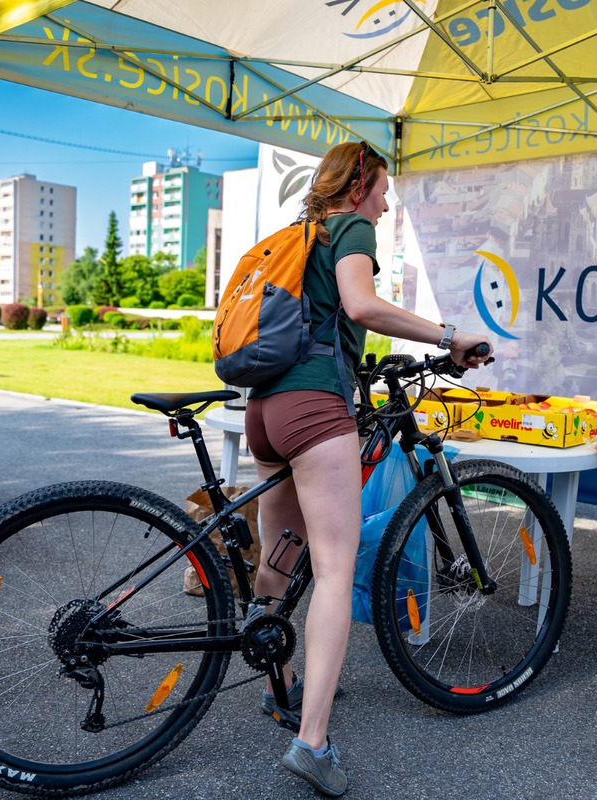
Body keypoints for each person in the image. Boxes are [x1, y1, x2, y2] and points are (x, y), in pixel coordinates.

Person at [242, 140, 491, 796]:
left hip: (265, 408)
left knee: (280, 558)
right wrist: (447, 336)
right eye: (382, 190)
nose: (386, 203)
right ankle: (313, 741)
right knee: (332, 571)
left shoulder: (299, 231)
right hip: (313, 405)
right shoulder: (350, 226)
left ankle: (283, 686)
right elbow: (360, 305)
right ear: (358, 186)